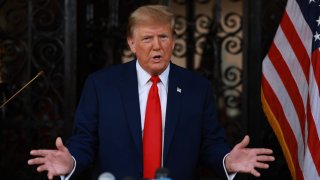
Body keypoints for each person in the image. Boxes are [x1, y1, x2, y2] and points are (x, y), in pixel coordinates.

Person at [28, 5, 274, 180]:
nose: (157, 45)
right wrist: (70, 162)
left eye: (163, 37)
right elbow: (85, 140)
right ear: (131, 43)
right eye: (147, 39)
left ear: (173, 41)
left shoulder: (197, 88)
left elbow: (210, 143)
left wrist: (227, 161)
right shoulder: (101, 85)